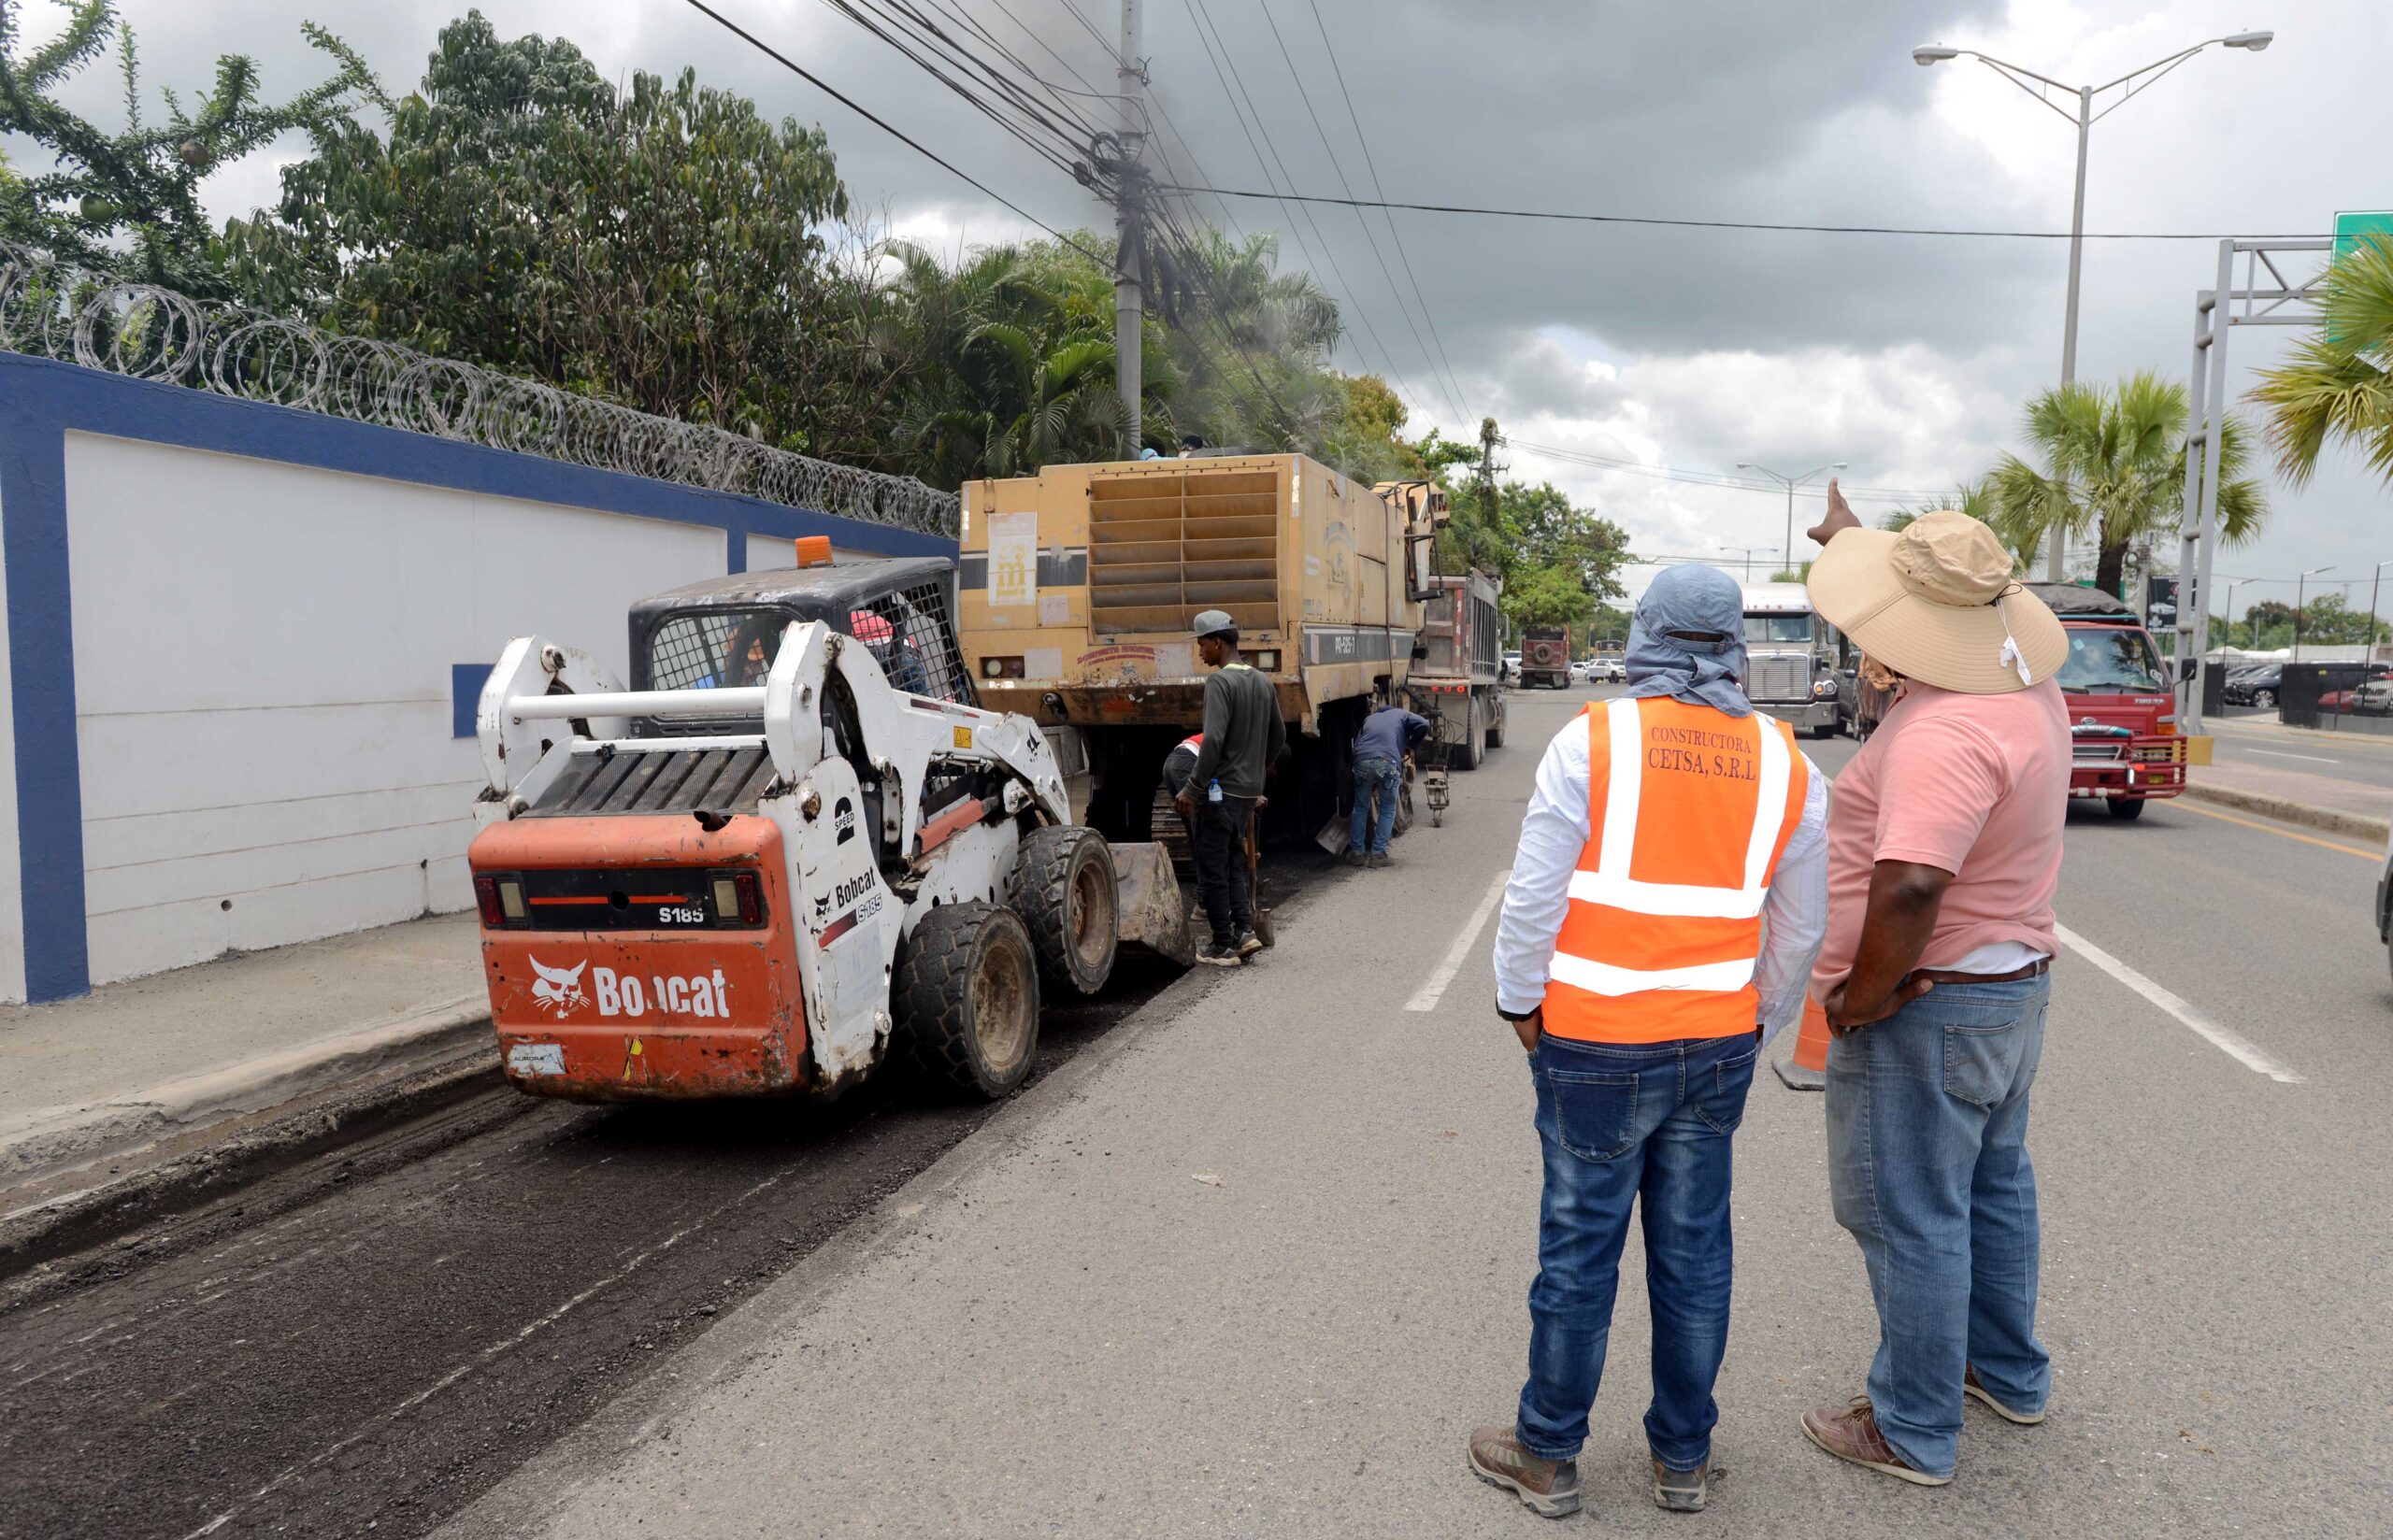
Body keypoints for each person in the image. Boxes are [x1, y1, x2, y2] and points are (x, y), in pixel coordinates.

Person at [1469, 563, 1829, 1519]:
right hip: (1713, 1045)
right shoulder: (1790, 764)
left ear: (1645, 636)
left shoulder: (1592, 741)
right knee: (1695, 1253)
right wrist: (1755, 1016)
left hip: (1593, 1043)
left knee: (1580, 1253)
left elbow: (1535, 895)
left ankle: (1547, 1453)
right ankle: (1682, 1458)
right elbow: (1797, 931)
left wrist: (1517, 1002)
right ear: (1734, 650)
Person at [1796, 485, 2071, 1488]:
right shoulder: (2023, 690)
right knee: (1994, 1190)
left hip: (1929, 998)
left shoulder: (1940, 734)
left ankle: (1911, 1423)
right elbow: (1908, 587)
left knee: (1908, 1209)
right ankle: (2005, 1371)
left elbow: (1911, 880)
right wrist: (1849, 534)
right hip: (2009, 989)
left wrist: (1859, 997)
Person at [1173, 610, 1284, 966]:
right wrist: (1260, 767)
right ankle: (1245, 933)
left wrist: (1192, 788)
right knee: (1235, 861)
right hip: (1248, 791)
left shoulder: (1220, 683)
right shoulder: (1263, 682)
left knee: (1212, 867)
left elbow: (1214, 739)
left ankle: (1222, 945)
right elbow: (1279, 735)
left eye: (1202, 644)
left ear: (1218, 642)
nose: (1200, 652)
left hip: (1219, 792)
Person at [1349, 701, 1430, 867]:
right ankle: (1378, 854)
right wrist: (1412, 745)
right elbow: (1424, 723)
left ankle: (1357, 853)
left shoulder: (1369, 719)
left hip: (1362, 761)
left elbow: (1357, 746)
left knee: (1360, 807)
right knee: (1387, 809)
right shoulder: (1401, 714)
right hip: (1387, 762)